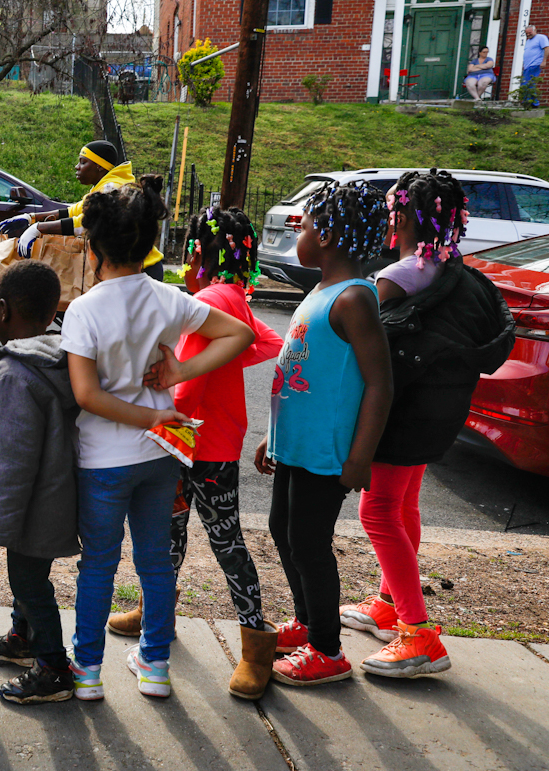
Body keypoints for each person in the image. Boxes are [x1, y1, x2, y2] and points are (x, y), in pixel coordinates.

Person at [61, 177, 253, 701]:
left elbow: (86, 395)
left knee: (99, 564)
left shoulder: (84, 310)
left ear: (95, 245)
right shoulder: (168, 299)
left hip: (102, 459)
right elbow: (241, 335)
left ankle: (88, 672)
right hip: (162, 453)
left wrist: (142, 417)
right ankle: (155, 667)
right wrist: (178, 373)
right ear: (148, 242)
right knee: (155, 561)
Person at [340, 169, 512, 679]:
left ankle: (418, 633)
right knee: (402, 504)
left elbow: (364, 338)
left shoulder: (401, 275)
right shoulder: (456, 269)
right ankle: (389, 605)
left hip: (404, 410)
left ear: (406, 216)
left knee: (377, 513)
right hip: (438, 409)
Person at [119, 206, 283, 701]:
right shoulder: (236, 295)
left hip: (192, 444)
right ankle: (161, 618)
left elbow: (187, 386)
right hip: (217, 442)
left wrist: (158, 417)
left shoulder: (211, 297)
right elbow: (267, 341)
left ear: (198, 250)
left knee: (211, 540)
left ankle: (256, 651)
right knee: (196, 537)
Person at [254, 182, 393, 687]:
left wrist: (361, 457)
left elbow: (380, 382)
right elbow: (298, 375)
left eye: (307, 225)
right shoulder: (320, 290)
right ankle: (310, 621)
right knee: (282, 529)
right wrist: (274, 435)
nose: (300, 232)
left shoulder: (355, 298)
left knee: (310, 543)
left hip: (327, 452)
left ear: (329, 235)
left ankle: (328, 650)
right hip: (295, 445)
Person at [0, 261, 81, 705]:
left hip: (32, 506)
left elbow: (10, 458)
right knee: (31, 579)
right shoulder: (63, 356)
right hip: (59, 497)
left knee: (29, 583)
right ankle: (23, 637)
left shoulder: (15, 374)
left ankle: (54, 667)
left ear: (1, 311)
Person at [2, 140, 165, 279]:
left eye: (83, 162)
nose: (76, 167)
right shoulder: (103, 186)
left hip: (143, 268)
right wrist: (31, 218)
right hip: (130, 267)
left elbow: (88, 222)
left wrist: (38, 228)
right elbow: (75, 210)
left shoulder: (112, 187)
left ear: (99, 167)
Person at [522, 25, 548, 106]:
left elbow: (547, 48)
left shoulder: (541, 38)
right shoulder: (528, 41)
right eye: (526, 33)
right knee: (528, 83)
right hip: (527, 66)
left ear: (535, 30)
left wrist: (544, 61)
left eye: (530, 32)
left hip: (535, 64)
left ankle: (530, 102)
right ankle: (533, 103)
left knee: (528, 83)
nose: (528, 35)